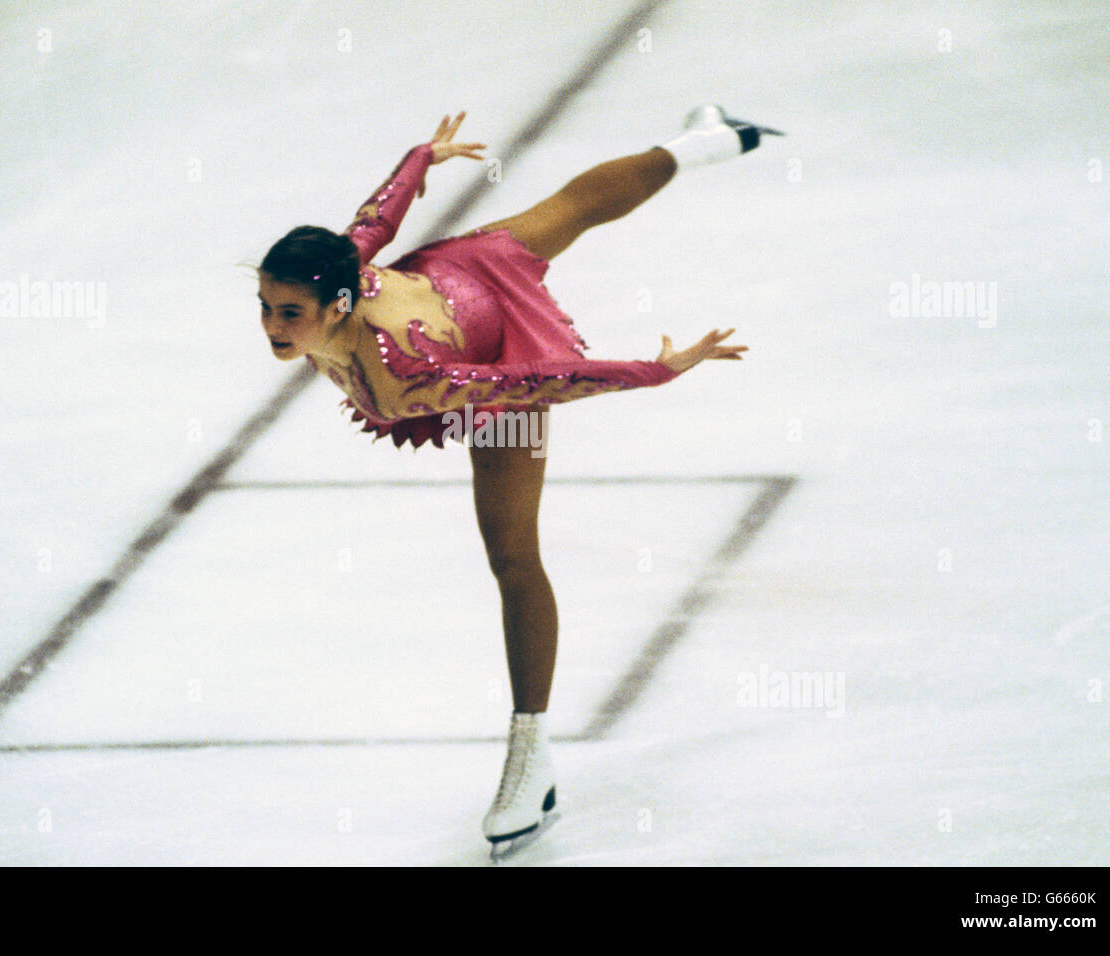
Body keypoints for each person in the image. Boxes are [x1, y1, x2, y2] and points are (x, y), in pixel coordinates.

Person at [257, 105, 780, 855]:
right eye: (267, 308)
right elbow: (373, 222)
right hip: (454, 278)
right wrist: (419, 158)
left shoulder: (403, 379)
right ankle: (708, 137)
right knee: (568, 210)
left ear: (339, 302)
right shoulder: (337, 268)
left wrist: (650, 372)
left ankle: (531, 754)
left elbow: (536, 378)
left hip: (490, 354)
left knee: (512, 555)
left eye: (289, 312)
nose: (274, 327)